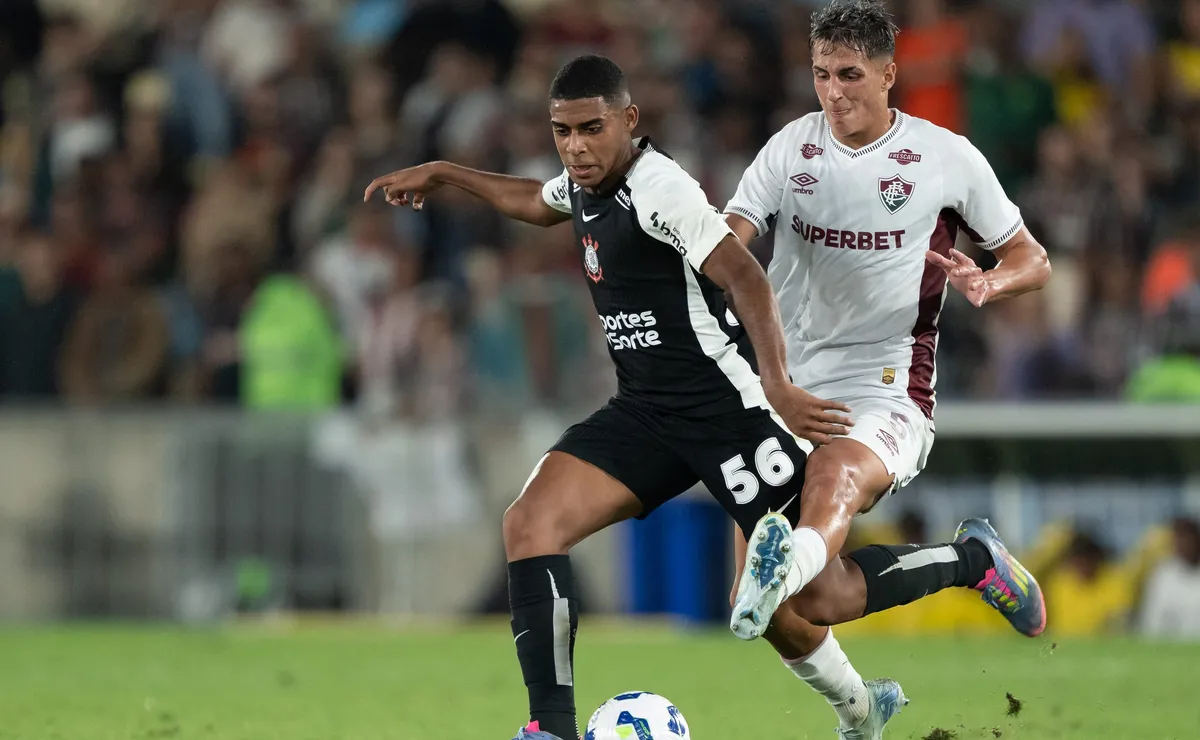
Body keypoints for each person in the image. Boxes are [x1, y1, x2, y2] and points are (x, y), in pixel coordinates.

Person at [365, 55, 886, 740]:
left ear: (629, 120)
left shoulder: (660, 188)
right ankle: (549, 729)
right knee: (530, 525)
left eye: (591, 128)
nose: (576, 147)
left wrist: (779, 386)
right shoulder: (584, 182)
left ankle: (965, 568)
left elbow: (745, 277)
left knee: (805, 598)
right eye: (562, 131)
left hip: (727, 412)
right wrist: (447, 175)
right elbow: (536, 202)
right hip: (647, 411)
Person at [723, 1, 1052, 736]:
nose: (833, 93)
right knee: (797, 608)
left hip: (887, 388)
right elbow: (733, 239)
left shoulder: (946, 157)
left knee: (834, 473)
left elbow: (1032, 258)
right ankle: (964, 569)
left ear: (889, 74)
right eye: (820, 75)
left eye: (850, 75)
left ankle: (786, 559)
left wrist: (992, 282)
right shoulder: (790, 150)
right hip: (785, 383)